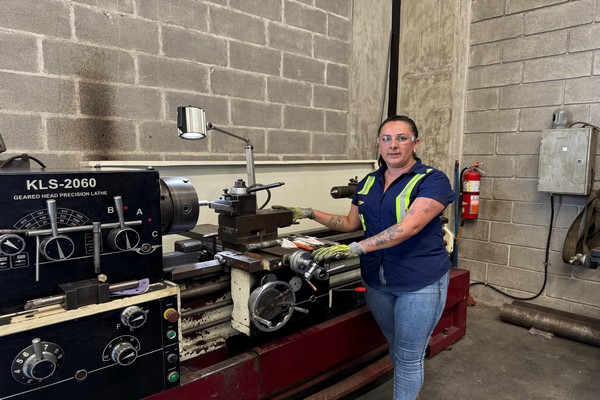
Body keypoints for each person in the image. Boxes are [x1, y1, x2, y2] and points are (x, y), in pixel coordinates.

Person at [273, 115, 454, 400]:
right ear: (379, 144)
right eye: (386, 139)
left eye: (401, 138)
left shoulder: (432, 180)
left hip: (420, 282)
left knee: (408, 356)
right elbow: (349, 224)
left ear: (415, 143)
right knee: (395, 345)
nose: (393, 145)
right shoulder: (368, 182)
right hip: (377, 281)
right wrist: (310, 212)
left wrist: (358, 248)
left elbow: (410, 226)